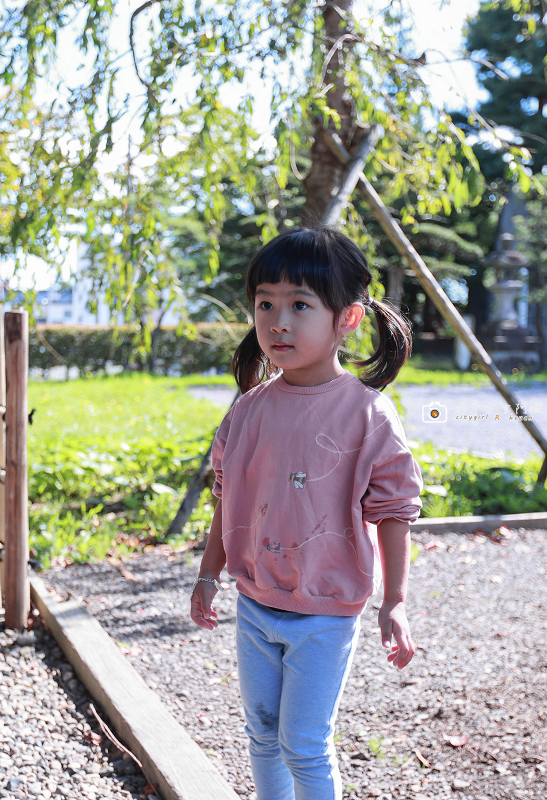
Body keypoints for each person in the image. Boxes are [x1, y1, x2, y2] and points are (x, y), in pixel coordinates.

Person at [189, 226, 424, 800]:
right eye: (265, 304)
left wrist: (394, 602)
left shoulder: (367, 415)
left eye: (299, 305)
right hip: (255, 605)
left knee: (304, 744)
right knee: (263, 734)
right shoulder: (249, 410)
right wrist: (206, 572)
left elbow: (395, 511)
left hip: (325, 612)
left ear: (347, 319)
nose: (278, 322)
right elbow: (227, 498)